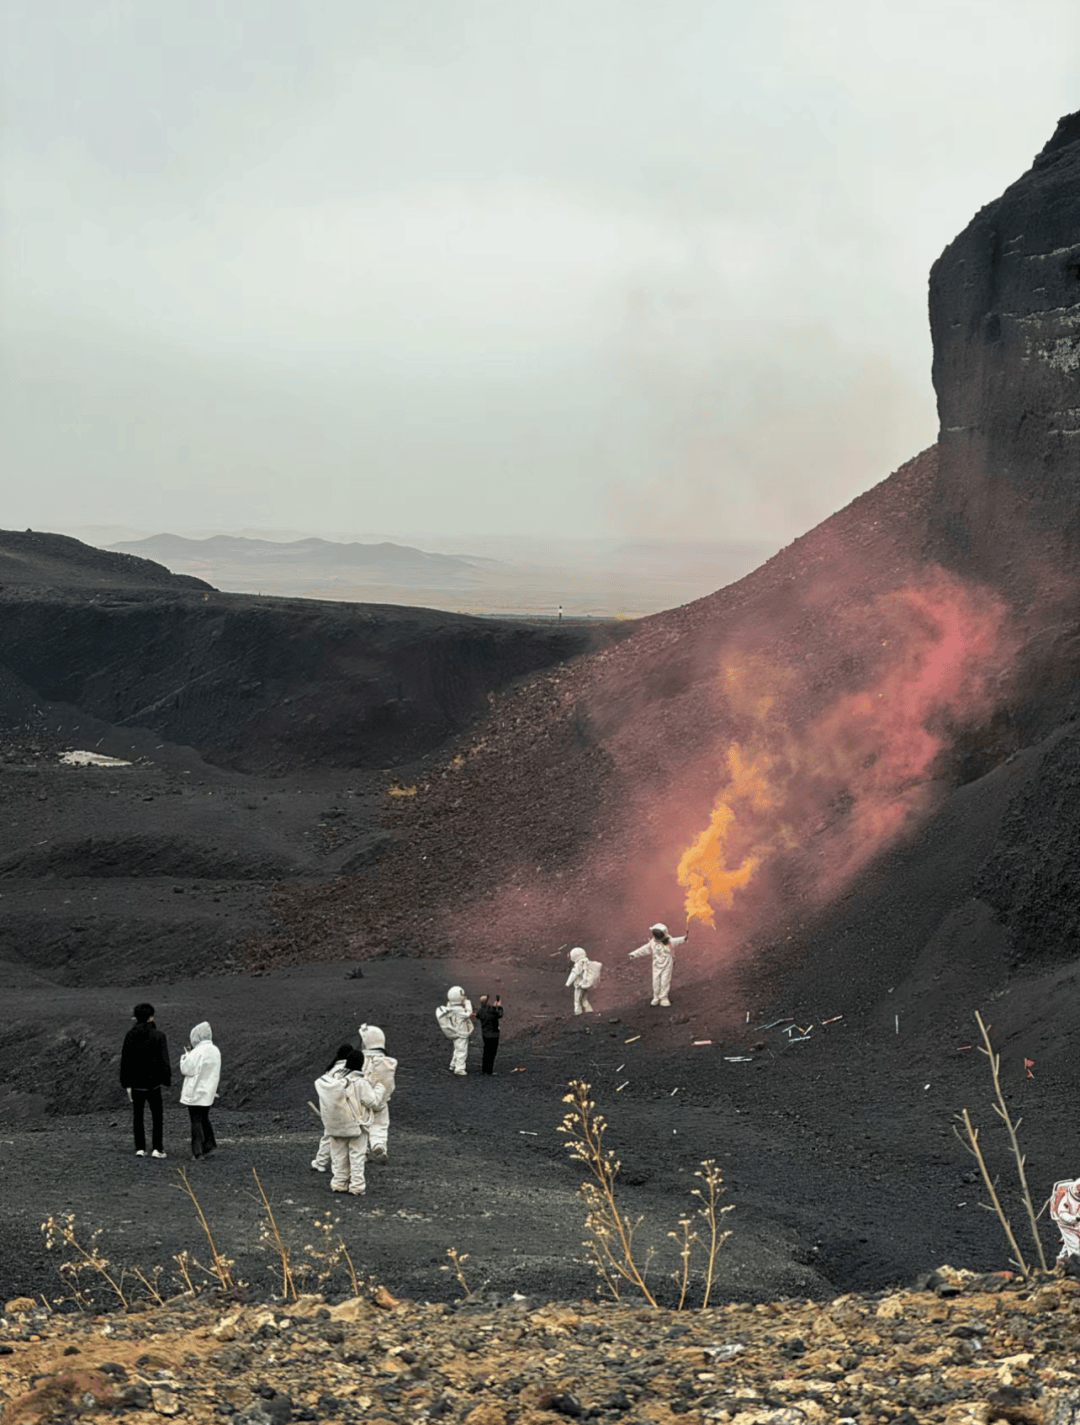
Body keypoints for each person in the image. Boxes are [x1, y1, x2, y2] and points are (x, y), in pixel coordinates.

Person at [314, 1047, 386, 1195]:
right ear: (361, 1063)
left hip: (336, 1125)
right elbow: (372, 1101)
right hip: (356, 1125)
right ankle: (357, 1186)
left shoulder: (335, 1080)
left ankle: (339, 1183)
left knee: (338, 1156)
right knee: (357, 1156)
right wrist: (380, 1088)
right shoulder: (360, 1083)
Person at [119, 1002, 171, 1159]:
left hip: (136, 1084)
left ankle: (140, 1148)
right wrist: (166, 1079)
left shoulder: (130, 1035)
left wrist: (126, 1083)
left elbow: (125, 1061)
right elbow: (164, 1061)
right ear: (151, 1017)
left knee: (138, 1116)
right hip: (153, 1084)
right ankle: (157, 1148)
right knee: (157, 1116)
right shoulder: (159, 1036)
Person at [179, 1022, 222, 1160]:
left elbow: (186, 1069)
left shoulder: (197, 1051)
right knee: (204, 1118)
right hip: (208, 1092)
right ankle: (209, 1145)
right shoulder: (215, 1050)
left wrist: (186, 1056)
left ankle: (197, 1152)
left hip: (195, 1092)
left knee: (195, 1121)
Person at [311, 1043, 355, 1173]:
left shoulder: (331, 1069)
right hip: (344, 1107)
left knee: (330, 1135)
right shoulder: (348, 1070)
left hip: (329, 1108)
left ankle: (320, 1162)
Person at [358, 1024, 397, 1161]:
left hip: (362, 1101)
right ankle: (378, 1144)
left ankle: (363, 1152)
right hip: (380, 1101)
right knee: (380, 1124)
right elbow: (390, 1085)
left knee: (361, 1126)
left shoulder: (359, 1059)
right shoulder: (388, 1062)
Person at [629, 922, 689, 1006]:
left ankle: (663, 997)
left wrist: (684, 938)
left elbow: (677, 940)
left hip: (667, 963)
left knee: (665, 980)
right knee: (656, 981)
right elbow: (644, 949)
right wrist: (634, 954)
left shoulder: (669, 942)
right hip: (656, 964)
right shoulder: (652, 943)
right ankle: (656, 997)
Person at [436, 986, 474, 1075]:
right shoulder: (459, 1010)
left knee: (457, 1049)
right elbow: (468, 1013)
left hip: (455, 1032)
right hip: (461, 1033)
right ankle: (459, 1068)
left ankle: (453, 1064)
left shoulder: (449, 1007)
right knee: (462, 1051)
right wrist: (467, 1002)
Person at [473, 995, 503, 1074]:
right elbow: (500, 1014)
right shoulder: (492, 1011)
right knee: (492, 1053)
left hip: (485, 1034)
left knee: (486, 1052)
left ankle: (484, 1069)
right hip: (494, 1035)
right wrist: (498, 1007)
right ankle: (489, 1071)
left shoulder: (480, 1012)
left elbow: (478, 1016)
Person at [565, 947, 601, 1015]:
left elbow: (574, 973)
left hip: (579, 985)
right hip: (585, 984)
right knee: (584, 999)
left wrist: (567, 984)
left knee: (577, 1000)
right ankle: (590, 1012)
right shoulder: (587, 962)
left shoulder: (579, 964)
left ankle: (578, 1013)